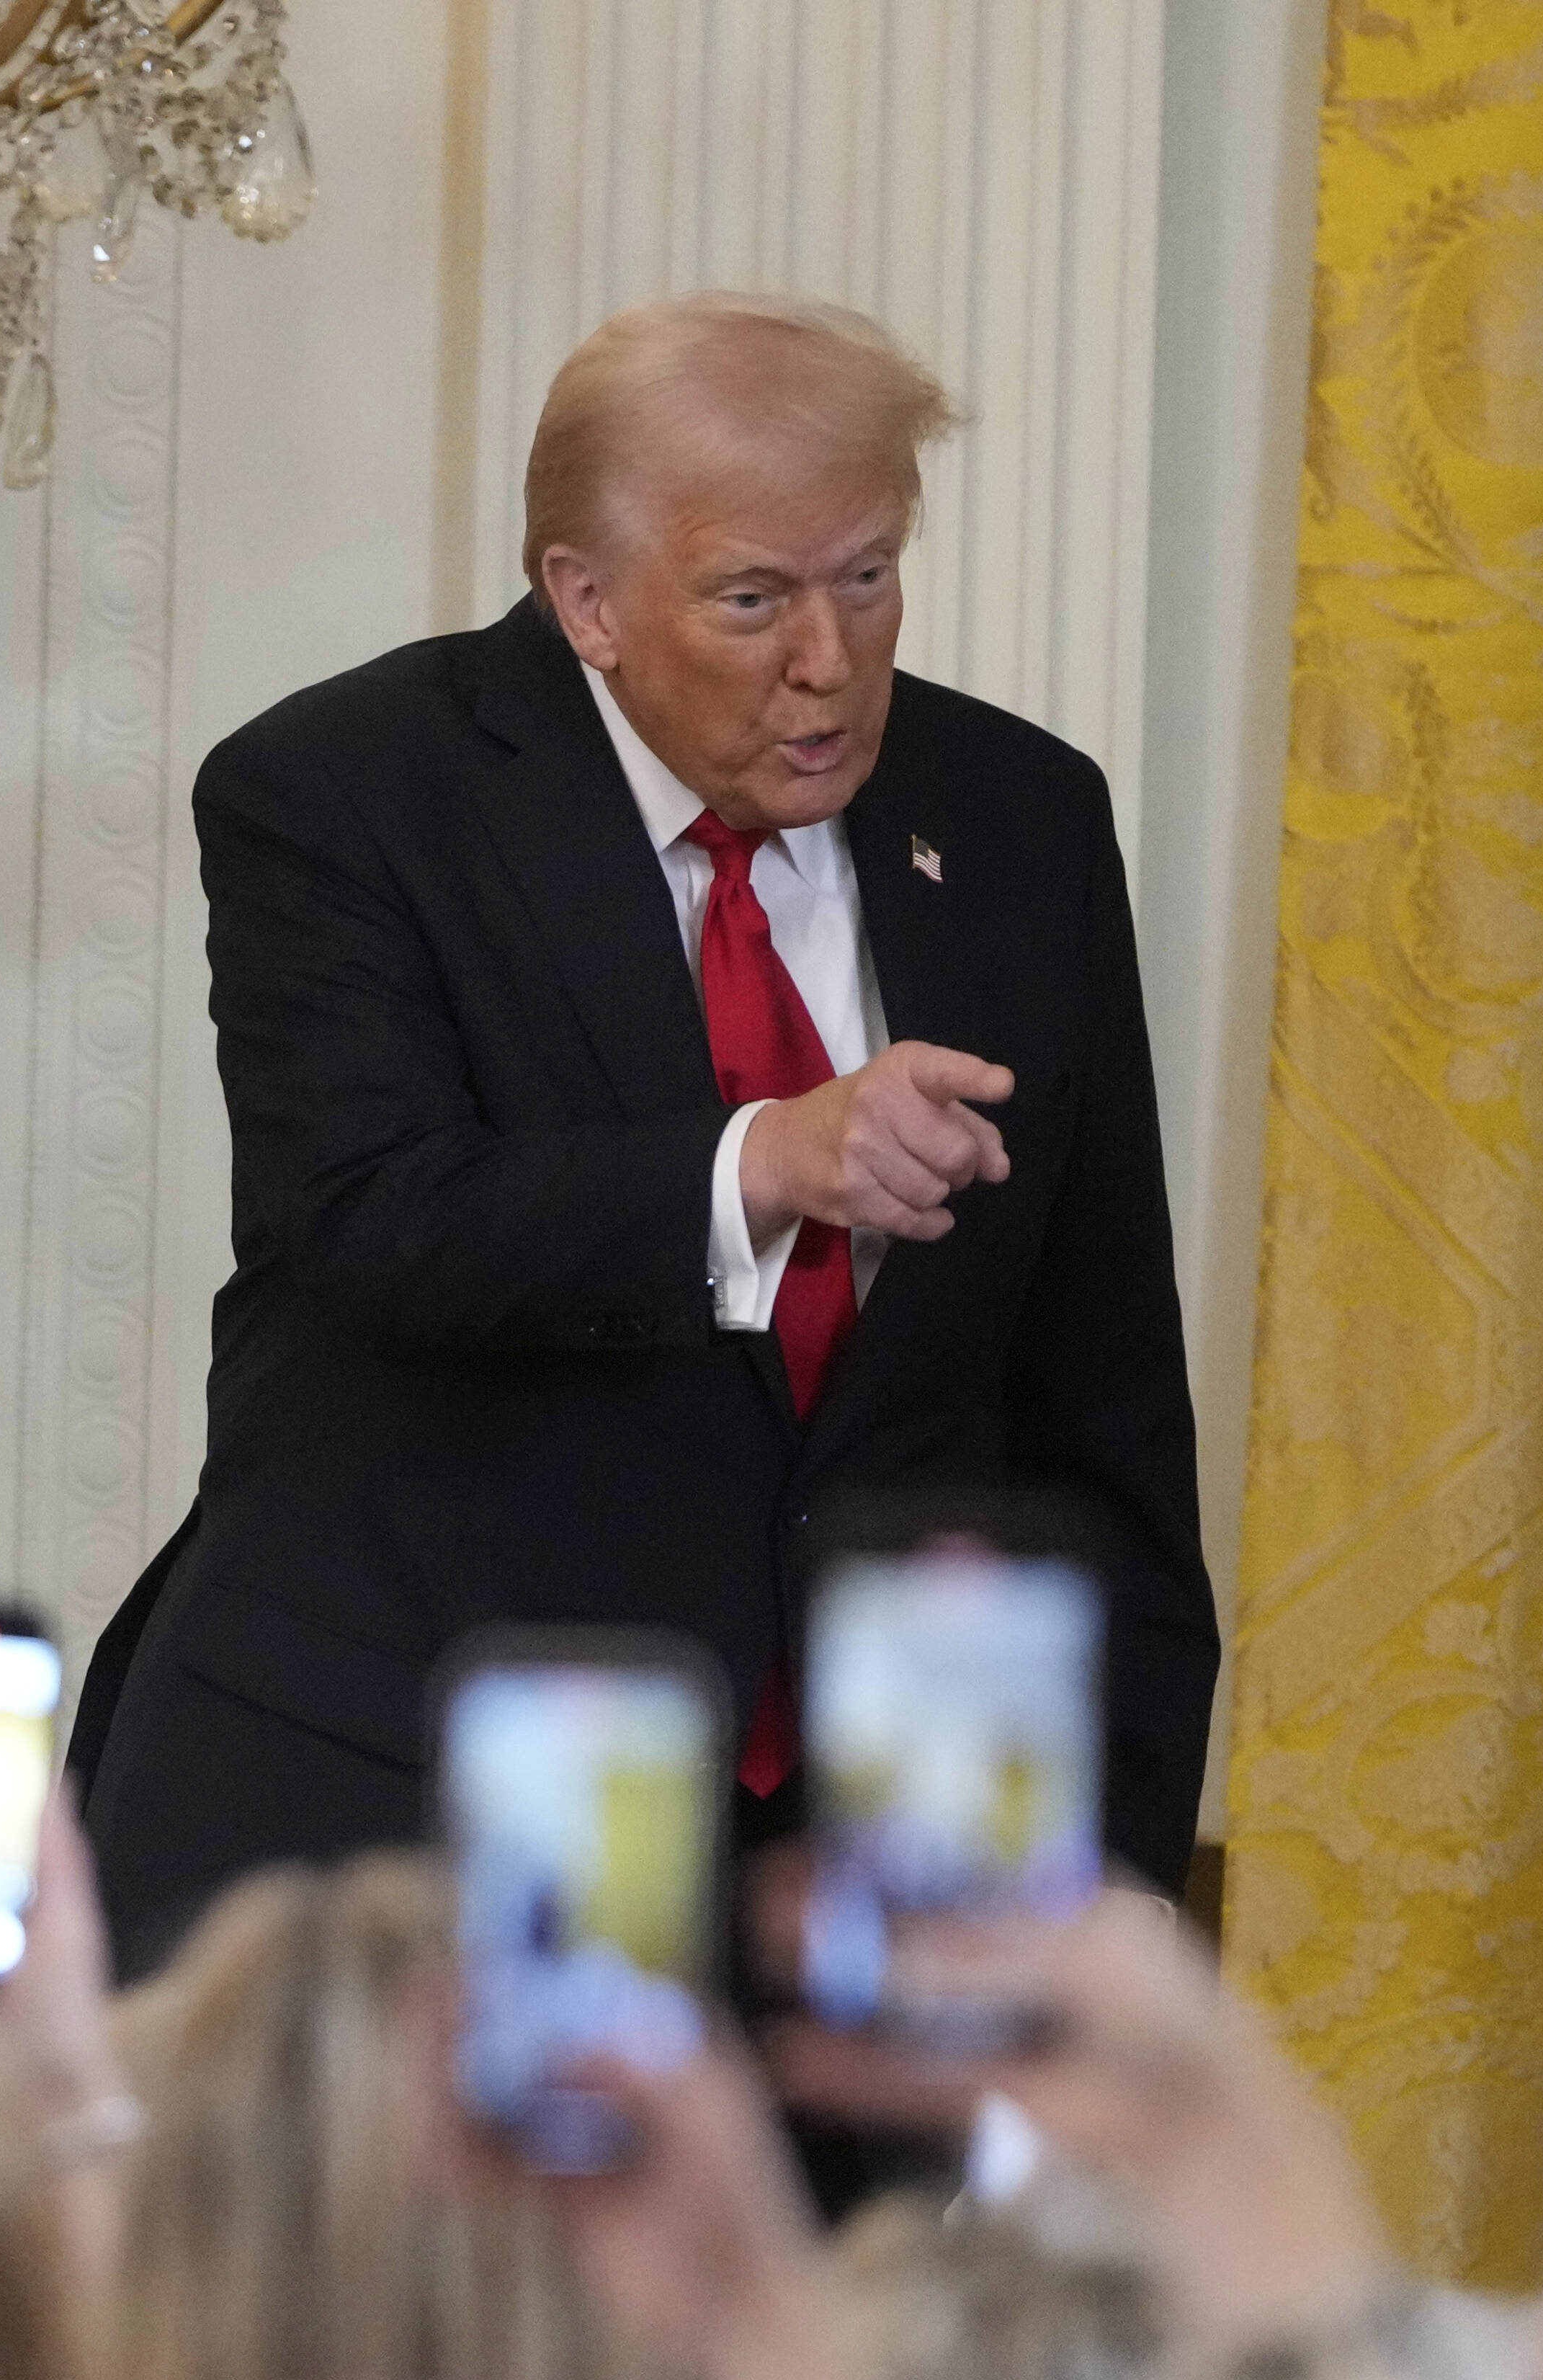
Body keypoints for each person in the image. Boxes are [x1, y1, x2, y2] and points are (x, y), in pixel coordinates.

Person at [73, 290, 1218, 1977]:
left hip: (845, 1887)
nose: (827, 660)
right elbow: (371, 1214)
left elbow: (1096, 1385)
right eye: (751, 597)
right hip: (403, 1840)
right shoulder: (349, 791)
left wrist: (1110, 1863)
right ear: (585, 602)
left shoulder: (1020, 820)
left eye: (867, 575)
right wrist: (767, 1161)